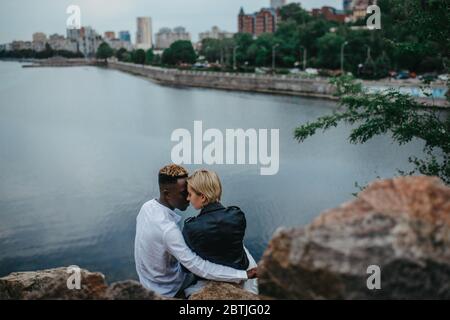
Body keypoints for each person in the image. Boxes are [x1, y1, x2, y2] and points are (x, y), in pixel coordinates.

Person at [134, 164, 257, 298]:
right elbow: (196, 265)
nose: (187, 198)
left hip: (147, 281)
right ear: (167, 194)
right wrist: (242, 274)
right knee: (238, 248)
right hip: (168, 289)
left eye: (189, 192)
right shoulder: (168, 230)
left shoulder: (147, 207)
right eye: (184, 193)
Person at [182, 169, 258, 296]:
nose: (188, 198)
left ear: (202, 197)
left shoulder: (191, 227)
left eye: (190, 194)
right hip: (240, 268)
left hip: (210, 280)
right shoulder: (237, 215)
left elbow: (185, 267)